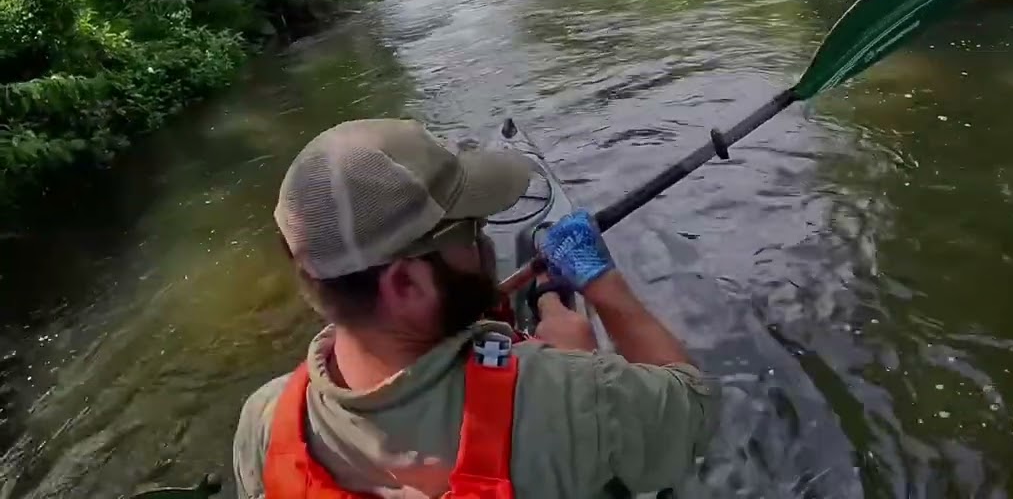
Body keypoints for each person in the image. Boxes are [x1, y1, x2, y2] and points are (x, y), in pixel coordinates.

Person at [233, 119, 719, 499]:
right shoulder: (572, 393)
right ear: (405, 283)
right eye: (470, 232)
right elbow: (696, 411)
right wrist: (602, 291)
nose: (484, 243)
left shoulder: (266, 421)